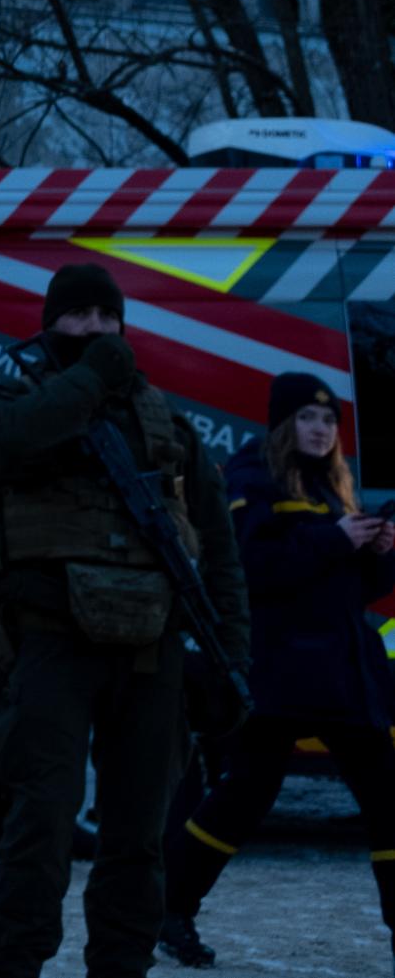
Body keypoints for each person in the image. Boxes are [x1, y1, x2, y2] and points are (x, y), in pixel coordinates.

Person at [0, 262, 246, 978]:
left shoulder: (168, 425)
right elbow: (6, 442)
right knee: (43, 825)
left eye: (104, 317)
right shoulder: (15, 397)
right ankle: (14, 964)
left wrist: (228, 660)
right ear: (48, 322)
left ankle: (120, 967)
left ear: (122, 324)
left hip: (152, 654)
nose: (91, 329)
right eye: (76, 315)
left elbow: (217, 549)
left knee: (138, 837)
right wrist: (90, 378)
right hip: (54, 643)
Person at [157, 372, 394, 968]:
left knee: (389, 803)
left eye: (329, 421)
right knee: (243, 798)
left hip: (343, 672)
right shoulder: (251, 475)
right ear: (284, 424)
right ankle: (169, 910)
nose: (320, 431)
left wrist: (378, 551)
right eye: (308, 419)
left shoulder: (334, 484)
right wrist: (334, 539)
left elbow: (354, 588)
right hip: (278, 670)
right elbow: (250, 568)